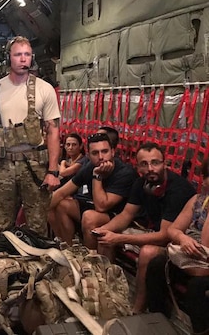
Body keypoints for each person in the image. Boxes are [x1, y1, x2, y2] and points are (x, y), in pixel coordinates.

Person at [91, 142, 195, 313]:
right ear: (137, 166)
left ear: (165, 163)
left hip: (177, 239)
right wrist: (105, 230)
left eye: (155, 163)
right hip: (151, 230)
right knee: (105, 237)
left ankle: (137, 311)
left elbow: (164, 236)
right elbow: (126, 215)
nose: (150, 169)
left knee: (147, 252)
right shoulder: (141, 183)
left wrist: (120, 238)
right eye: (144, 164)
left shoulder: (177, 190)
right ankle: (108, 294)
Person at [0, 36, 61, 234]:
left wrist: (53, 170)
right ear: (9, 59)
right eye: (18, 55)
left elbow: (53, 131)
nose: (23, 59)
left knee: (38, 227)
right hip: (3, 164)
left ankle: (37, 263)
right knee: (2, 226)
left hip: (35, 166)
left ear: (32, 57)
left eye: (27, 54)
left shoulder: (44, 89)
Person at [146, 159, 209, 334]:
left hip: (205, 265)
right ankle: (157, 320)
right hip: (192, 257)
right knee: (157, 264)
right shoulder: (198, 200)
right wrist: (183, 238)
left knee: (197, 288)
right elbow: (173, 229)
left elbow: (206, 243)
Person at [48, 132, 137, 244]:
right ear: (89, 156)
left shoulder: (124, 173)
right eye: (95, 153)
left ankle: (91, 258)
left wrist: (97, 176)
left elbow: (102, 206)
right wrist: (42, 211)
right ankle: (69, 250)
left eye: (105, 151)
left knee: (89, 217)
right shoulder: (89, 166)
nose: (101, 157)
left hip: (118, 215)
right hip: (95, 207)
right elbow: (61, 193)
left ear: (113, 152)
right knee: (61, 204)